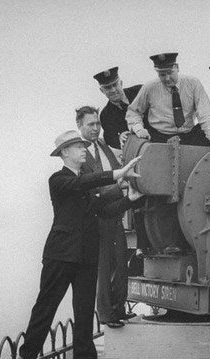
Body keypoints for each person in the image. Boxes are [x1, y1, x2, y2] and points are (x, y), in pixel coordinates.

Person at [18, 131, 143, 359]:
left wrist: (131, 199)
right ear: (65, 152)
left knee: (85, 309)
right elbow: (81, 184)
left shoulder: (85, 184)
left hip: (86, 255)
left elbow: (103, 211)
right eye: (78, 147)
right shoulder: (58, 180)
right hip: (60, 254)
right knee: (47, 304)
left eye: (84, 146)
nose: (84, 149)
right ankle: (27, 354)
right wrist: (116, 174)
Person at [76, 106, 134, 329]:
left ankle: (118, 309)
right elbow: (91, 191)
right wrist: (117, 187)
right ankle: (106, 315)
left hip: (115, 211)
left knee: (120, 262)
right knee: (104, 265)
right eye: (90, 124)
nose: (96, 128)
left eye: (97, 123)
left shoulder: (103, 146)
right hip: (96, 215)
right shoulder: (80, 153)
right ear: (79, 126)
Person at [126, 52, 210, 148]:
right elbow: (133, 112)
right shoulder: (149, 87)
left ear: (177, 67)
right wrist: (139, 129)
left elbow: (205, 115)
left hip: (188, 135)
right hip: (159, 137)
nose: (167, 78)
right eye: (162, 75)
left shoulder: (193, 84)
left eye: (170, 72)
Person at [93, 67, 143, 149]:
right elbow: (110, 139)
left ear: (121, 83)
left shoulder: (139, 91)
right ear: (102, 91)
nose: (113, 90)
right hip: (139, 149)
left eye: (115, 85)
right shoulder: (105, 115)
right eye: (107, 87)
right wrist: (119, 139)